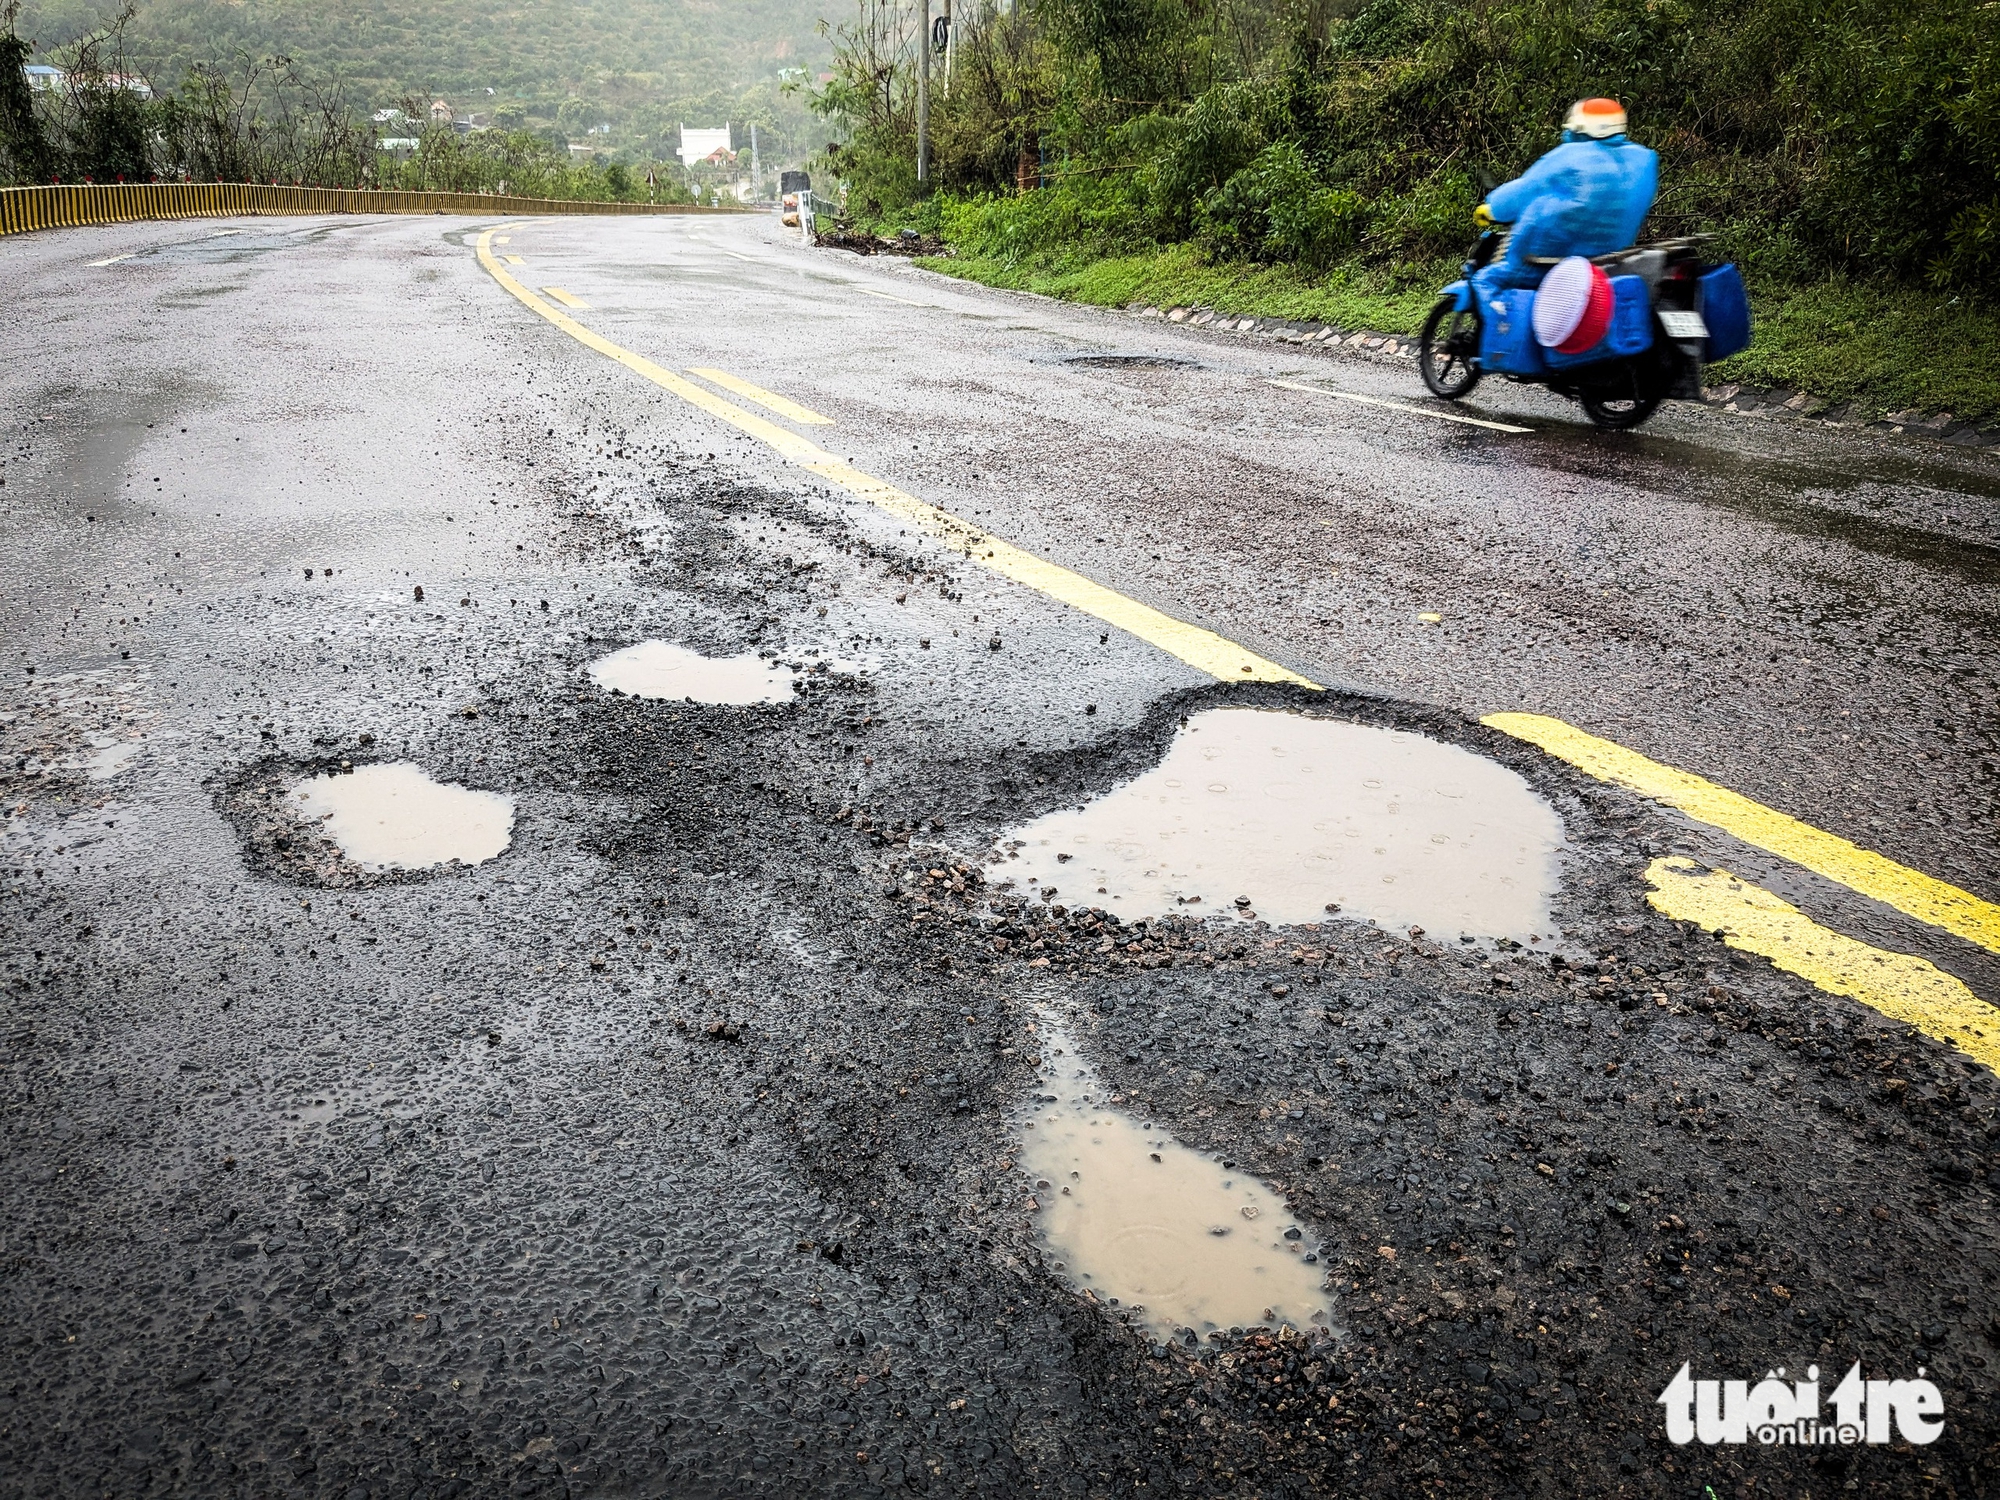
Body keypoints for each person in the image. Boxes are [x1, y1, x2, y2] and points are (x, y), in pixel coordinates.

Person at [1471, 98, 1658, 311]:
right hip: (1604, 261)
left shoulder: (1570, 156)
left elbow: (1527, 188)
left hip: (1545, 259)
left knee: (1486, 279)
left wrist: (1493, 208)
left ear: (1580, 127)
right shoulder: (1643, 160)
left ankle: (1496, 337)